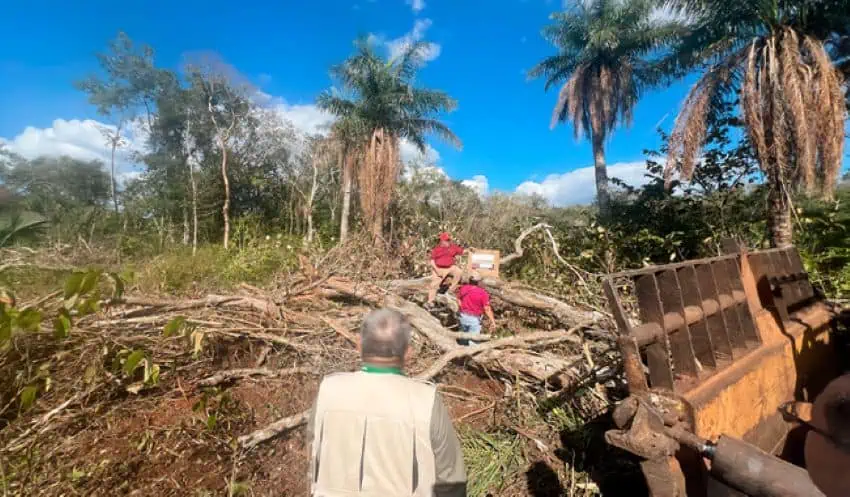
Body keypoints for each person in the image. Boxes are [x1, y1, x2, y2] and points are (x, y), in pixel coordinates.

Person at [307, 308, 467, 497]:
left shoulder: (329, 389)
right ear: (408, 353)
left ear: (359, 346)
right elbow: (451, 477)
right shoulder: (425, 399)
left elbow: (313, 454)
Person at [427, 232, 467, 307]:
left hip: (450, 267)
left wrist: (469, 250)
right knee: (434, 284)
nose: (448, 242)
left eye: (449, 240)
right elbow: (432, 261)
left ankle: (450, 290)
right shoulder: (437, 249)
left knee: (458, 272)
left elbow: (462, 251)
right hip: (438, 268)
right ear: (442, 241)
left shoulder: (453, 247)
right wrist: (437, 270)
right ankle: (430, 301)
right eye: (446, 240)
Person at [456, 272, 496, 345]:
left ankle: (461, 353)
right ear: (479, 282)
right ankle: (472, 355)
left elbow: (458, 299)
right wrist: (492, 320)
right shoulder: (483, 293)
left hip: (462, 317)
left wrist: (460, 308)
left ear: (470, 280)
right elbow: (487, 309)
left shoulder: (463, 288)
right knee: (473, 342)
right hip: (474, 319)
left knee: (463, 339)